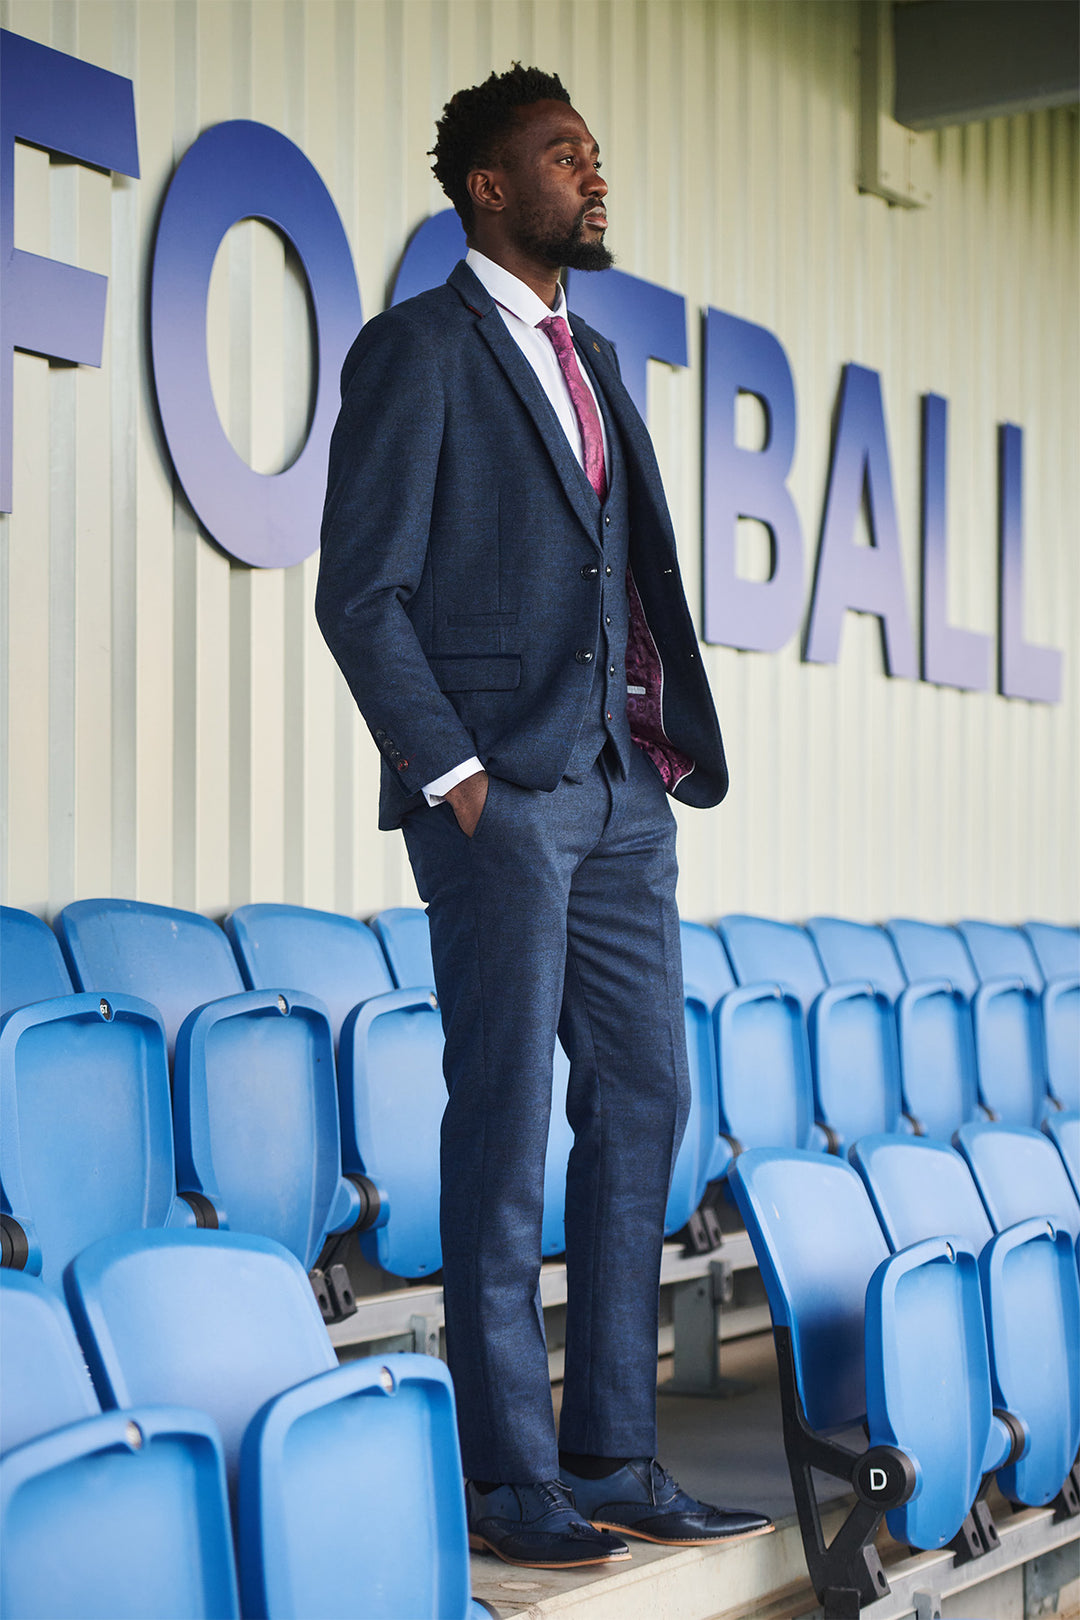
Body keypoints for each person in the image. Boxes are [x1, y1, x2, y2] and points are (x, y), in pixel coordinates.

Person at [316, 63, 772, 1570]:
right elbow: (362, 592)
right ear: (487, 188)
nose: (594, 172)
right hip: (504, 801)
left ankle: (614, 1452)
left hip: (624, 793)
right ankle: (511, 1482)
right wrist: (457, 780)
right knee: (505, 1122)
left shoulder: (593, 361)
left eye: (594, 151)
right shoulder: (416, 353)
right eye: (563, 155)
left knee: (644, 1099)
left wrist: (641, 752)